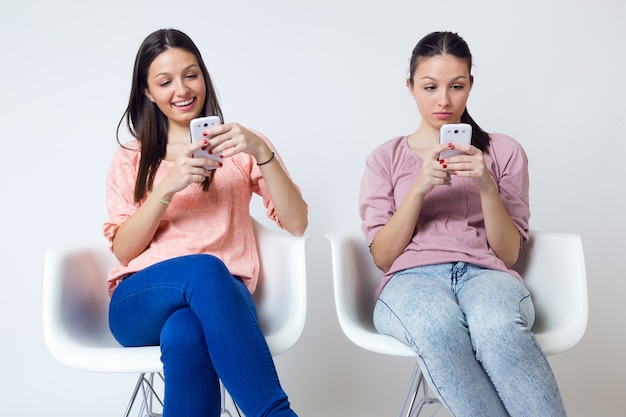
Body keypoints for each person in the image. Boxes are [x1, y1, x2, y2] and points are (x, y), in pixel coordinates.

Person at [358, 31, 567, 417]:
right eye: (430, 86)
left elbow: (509, 254)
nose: (443, 100)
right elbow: (384, 257)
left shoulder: (503, 151)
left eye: (456, 86)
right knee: (436, 326)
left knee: (497, 326)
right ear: (410, 87)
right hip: (411, 281)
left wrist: (486, 184)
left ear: (470, 85)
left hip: (486, 276)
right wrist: (418, 189)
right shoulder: (383, 159)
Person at [103, 28, 308, 417]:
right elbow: (125, 249)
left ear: (204, 76)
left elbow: (297, 223)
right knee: (206, 269)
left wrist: (261, 151)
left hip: (222, 301)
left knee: (185, 333)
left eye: (191, 74)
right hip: (139, 302)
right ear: (147, 92)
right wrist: (168, 186)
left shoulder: (242, 146)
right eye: (165, 82)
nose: (182, 90)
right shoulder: (131, 157)